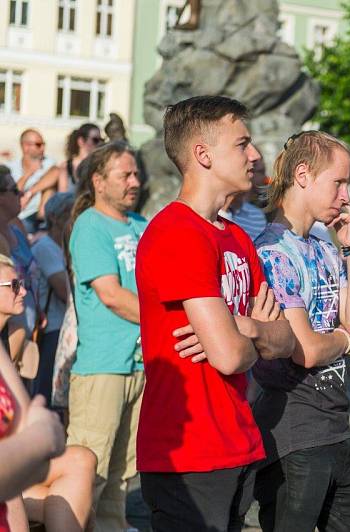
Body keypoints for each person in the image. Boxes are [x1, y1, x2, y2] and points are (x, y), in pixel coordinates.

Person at [135, 95, 295, 531]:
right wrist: (253, 336)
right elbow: (229, 356)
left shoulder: (235, 237)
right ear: (202, 154)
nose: (256, 155)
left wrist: (243, 326)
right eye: (242, 144)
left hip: (237, 440)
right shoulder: (177, 231)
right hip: (188, 450)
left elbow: (286, 340)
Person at [252, 131, 350, 531]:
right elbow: (305, 349)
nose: (346, 195)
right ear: (303, 175)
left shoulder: (325, 248)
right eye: (338, 182)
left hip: (335, 427)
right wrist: (345, 341)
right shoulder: (272, 253)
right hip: (293, 433)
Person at [66, 141, 146, 532]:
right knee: (87, 470)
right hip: (102, 366)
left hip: (140, 365)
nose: (135, 181)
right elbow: (112, 295)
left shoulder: (141, 225)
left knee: (123, 470)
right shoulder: (90, 226)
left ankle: (113, 527)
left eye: (136, 173)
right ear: (98, 181)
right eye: (125, 175)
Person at [0, 253, 95, 532]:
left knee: (81, 461)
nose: (25, 291)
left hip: (15, 470)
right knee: (70, 492)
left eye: (23, 282)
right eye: (14, 285)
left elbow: (27, 418)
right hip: (11, 475)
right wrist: (39, 435)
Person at [30, 192, 74, 405]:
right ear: (56, 218)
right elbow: (63, 291)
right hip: (53, 328)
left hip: (62, 326)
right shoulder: (46, 248)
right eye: (70, 212)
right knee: (49, 390)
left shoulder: (62, 246)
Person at [0, 167, 40, 370]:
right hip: (8, 330)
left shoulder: (17, 228)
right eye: (14, 190)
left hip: (29, 324)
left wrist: (39, 309)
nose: (22, 194)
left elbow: (31, 276)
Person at [24, 124, 103, 203]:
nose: (99, 143)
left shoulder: (100, 165)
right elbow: (63, 198)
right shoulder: (66, 167)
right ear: (81, 141)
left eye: (101, 140)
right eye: (95, 140)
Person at [8, 129, 56, 233]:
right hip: (15, 218)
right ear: (25, 146)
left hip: (35, 219)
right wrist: (28, 173)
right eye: (38, 145)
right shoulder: (11, 167)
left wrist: (29, 194)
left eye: (44, 144)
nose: (43, 148)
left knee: (49, 189)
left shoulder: (47, 163)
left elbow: (57, 173)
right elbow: (12, 195)